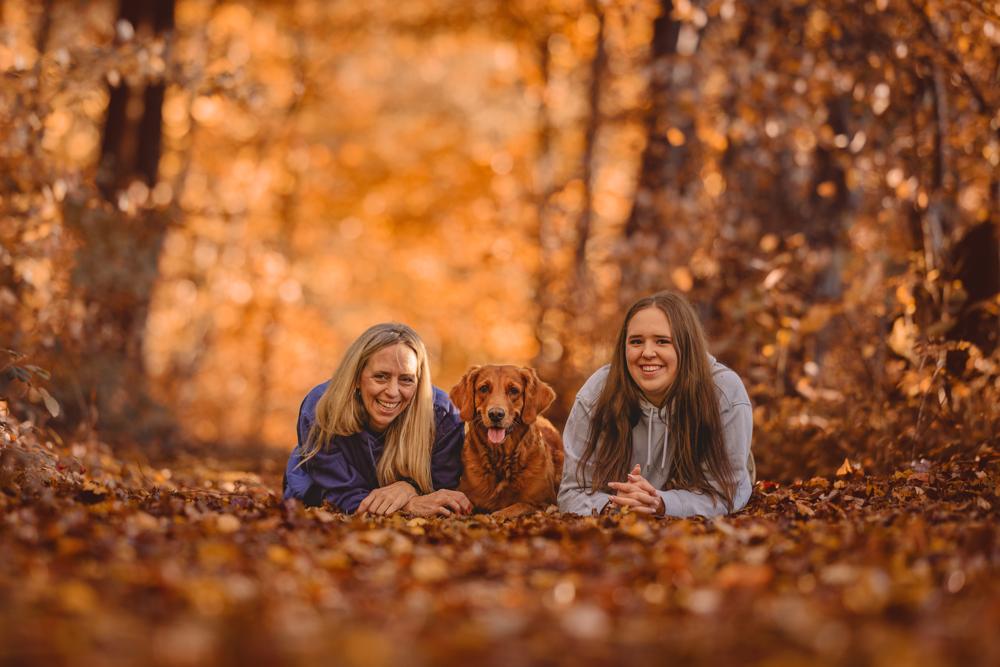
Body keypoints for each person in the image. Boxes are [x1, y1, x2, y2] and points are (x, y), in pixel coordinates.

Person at [558, 291, 755, 517]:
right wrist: (615, 506)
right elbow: (572, 491)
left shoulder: (724, 392)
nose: (647, 352)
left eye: (662, 341)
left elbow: (725, 493)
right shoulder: (597, 393)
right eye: (636, 341)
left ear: (686, 345)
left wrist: (661, 503)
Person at [284, 323, 472, 517]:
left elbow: (441, 484)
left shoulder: (444, 416)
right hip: (320, 493)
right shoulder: (321, 407)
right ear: (356, 377)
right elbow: (338, 492)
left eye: (406, 379)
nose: (392, 392)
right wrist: (408, 504)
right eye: (381, 377)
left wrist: (410, 487)